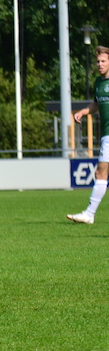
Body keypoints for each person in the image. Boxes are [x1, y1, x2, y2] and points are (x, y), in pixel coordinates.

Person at [67, 45, 109, 224]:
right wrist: (83, 112)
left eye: (103, 61)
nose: (100, 64)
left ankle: (89, 214)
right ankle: (89, 214)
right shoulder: (99, 83)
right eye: (98, 61)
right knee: (101, 173)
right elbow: (97, 104)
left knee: (101, 173)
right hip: (107, 134)